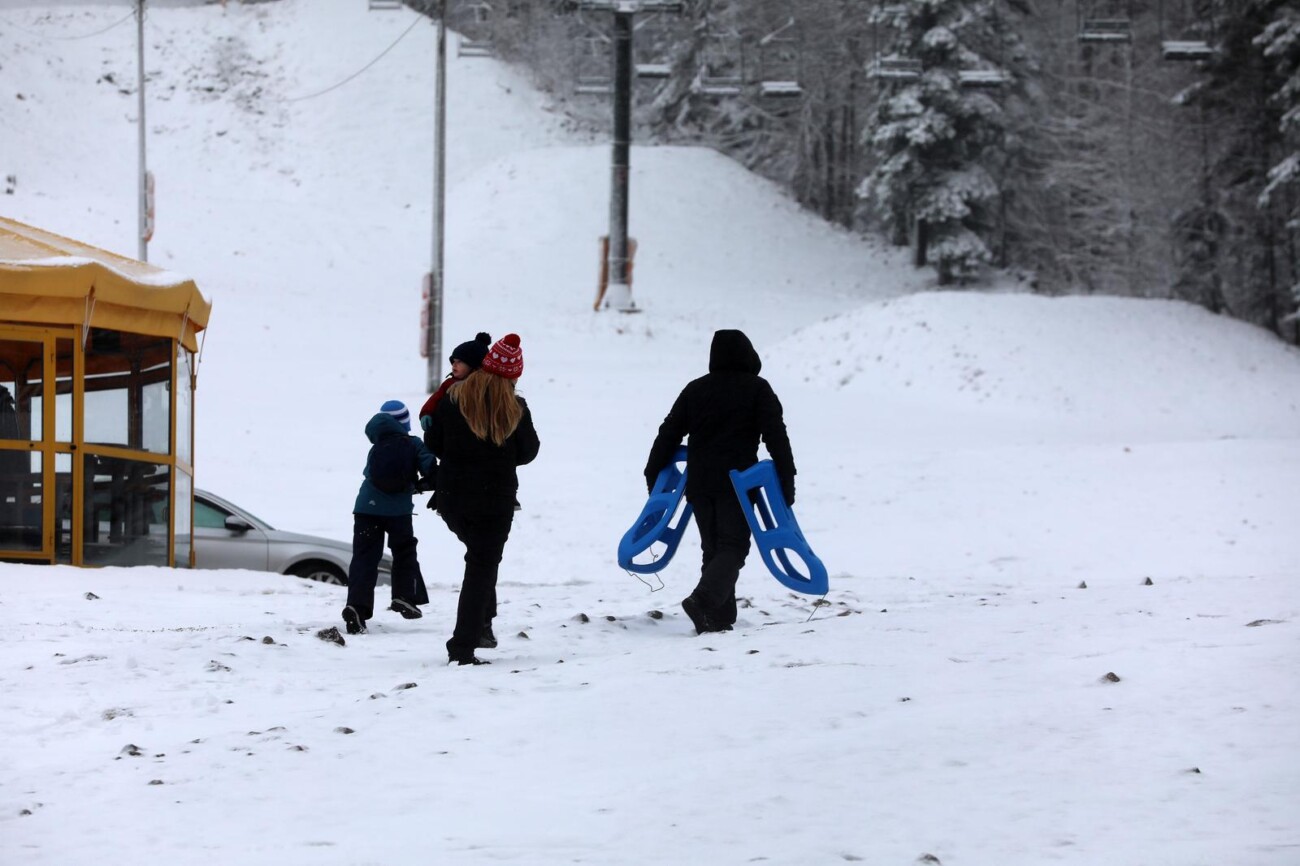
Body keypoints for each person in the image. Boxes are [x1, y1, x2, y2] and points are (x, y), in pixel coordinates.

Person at [643, 329, 796, 635]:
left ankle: (719, 618)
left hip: (700, 483)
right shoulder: (758, 389)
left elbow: (669, 432)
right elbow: (776, 436)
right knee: (734, 546)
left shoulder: (695, 389)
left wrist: (653, 473)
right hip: (738, 483)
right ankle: (703, 601)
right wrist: (786, 481)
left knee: (714, 548)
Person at [424, 333, 539, 665]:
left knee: (479, 561)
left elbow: (433, 443)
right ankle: (464, 645)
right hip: (495, 499)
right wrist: (498, 454)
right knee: (481, 568)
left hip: (452, 498)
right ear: (513, 376)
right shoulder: (515, 407)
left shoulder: (454, 397)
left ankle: (482, 626)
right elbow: (528, 452)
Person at [342, 399, 437, 636]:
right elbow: (431, 471)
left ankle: (356, 607)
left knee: (364, 558)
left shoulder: (377, 446)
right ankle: (404, 596)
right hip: (398, 512)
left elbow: (373, 474)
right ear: (405, 422)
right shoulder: (413, 443)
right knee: (404, 551)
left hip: (366, 508)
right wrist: (422, 483)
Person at [418, 332, 492, 428]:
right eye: (453, 361)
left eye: (460, 361)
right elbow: (435, 399)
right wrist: (426, 413)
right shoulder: (449, 384)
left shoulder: (487, 386)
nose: (454, 365)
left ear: (474, 365)